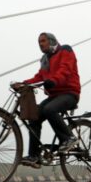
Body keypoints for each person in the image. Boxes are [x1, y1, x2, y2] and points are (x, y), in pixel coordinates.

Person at [13, 32, 81, 168]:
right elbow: (39, 77)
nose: (40, 44)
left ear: (51, 41)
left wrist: (53, 81)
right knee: (34, 117)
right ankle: (34, 156)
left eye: (43, 41)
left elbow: (65, 70)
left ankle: (69, 138)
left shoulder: (65, 50)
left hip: (69, 93)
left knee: (49, 109)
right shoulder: (45, 59)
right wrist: (24, 83)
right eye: (39, 42)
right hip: (54, 96)